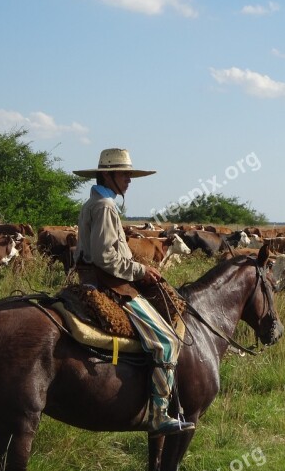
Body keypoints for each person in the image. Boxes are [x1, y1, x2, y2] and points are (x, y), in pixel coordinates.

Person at [73, 148, 194, 436]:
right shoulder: (104, 206)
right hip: (109, 284)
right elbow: (105, 257)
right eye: (124, 174)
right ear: (108, 175)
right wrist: (142, 271)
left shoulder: (100, 202)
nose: (129, 180)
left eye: (129, 174)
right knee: (165, 341)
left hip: (103, 277)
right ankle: (159, 414)